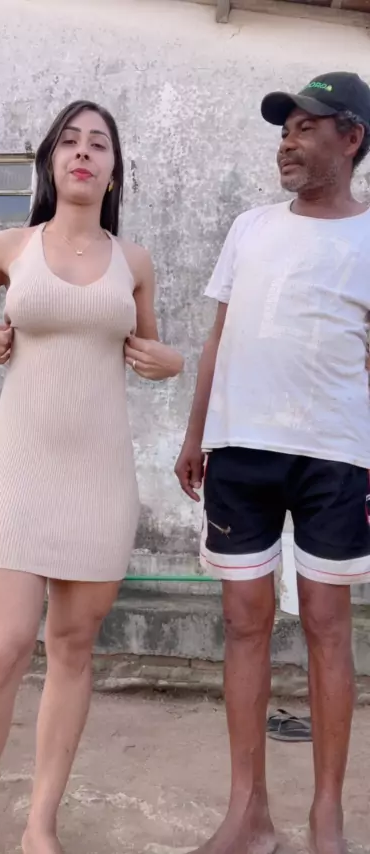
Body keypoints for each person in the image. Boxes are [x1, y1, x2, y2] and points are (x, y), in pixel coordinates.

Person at [0, 99, 183, 854]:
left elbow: (149, 352)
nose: (83, 152)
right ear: (51, 161)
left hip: (99, 477)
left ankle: (40, 827)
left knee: (71, 649)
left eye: (99, 143)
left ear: (114, 170)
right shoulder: (11, 247)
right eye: (70, 141)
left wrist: (170, 362)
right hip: (16, 471)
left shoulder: (134, 262)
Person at [175, 72, 370, 854]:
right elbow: (219, 338)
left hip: (336, 455)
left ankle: (327, 817)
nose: (286, 143)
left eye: (305, 128)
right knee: (242, 622)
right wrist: (196, 434)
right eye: (283, 131)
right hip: (240, 448)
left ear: (351, 138)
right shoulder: (250, 227)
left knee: (327, 625)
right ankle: (248, 814)